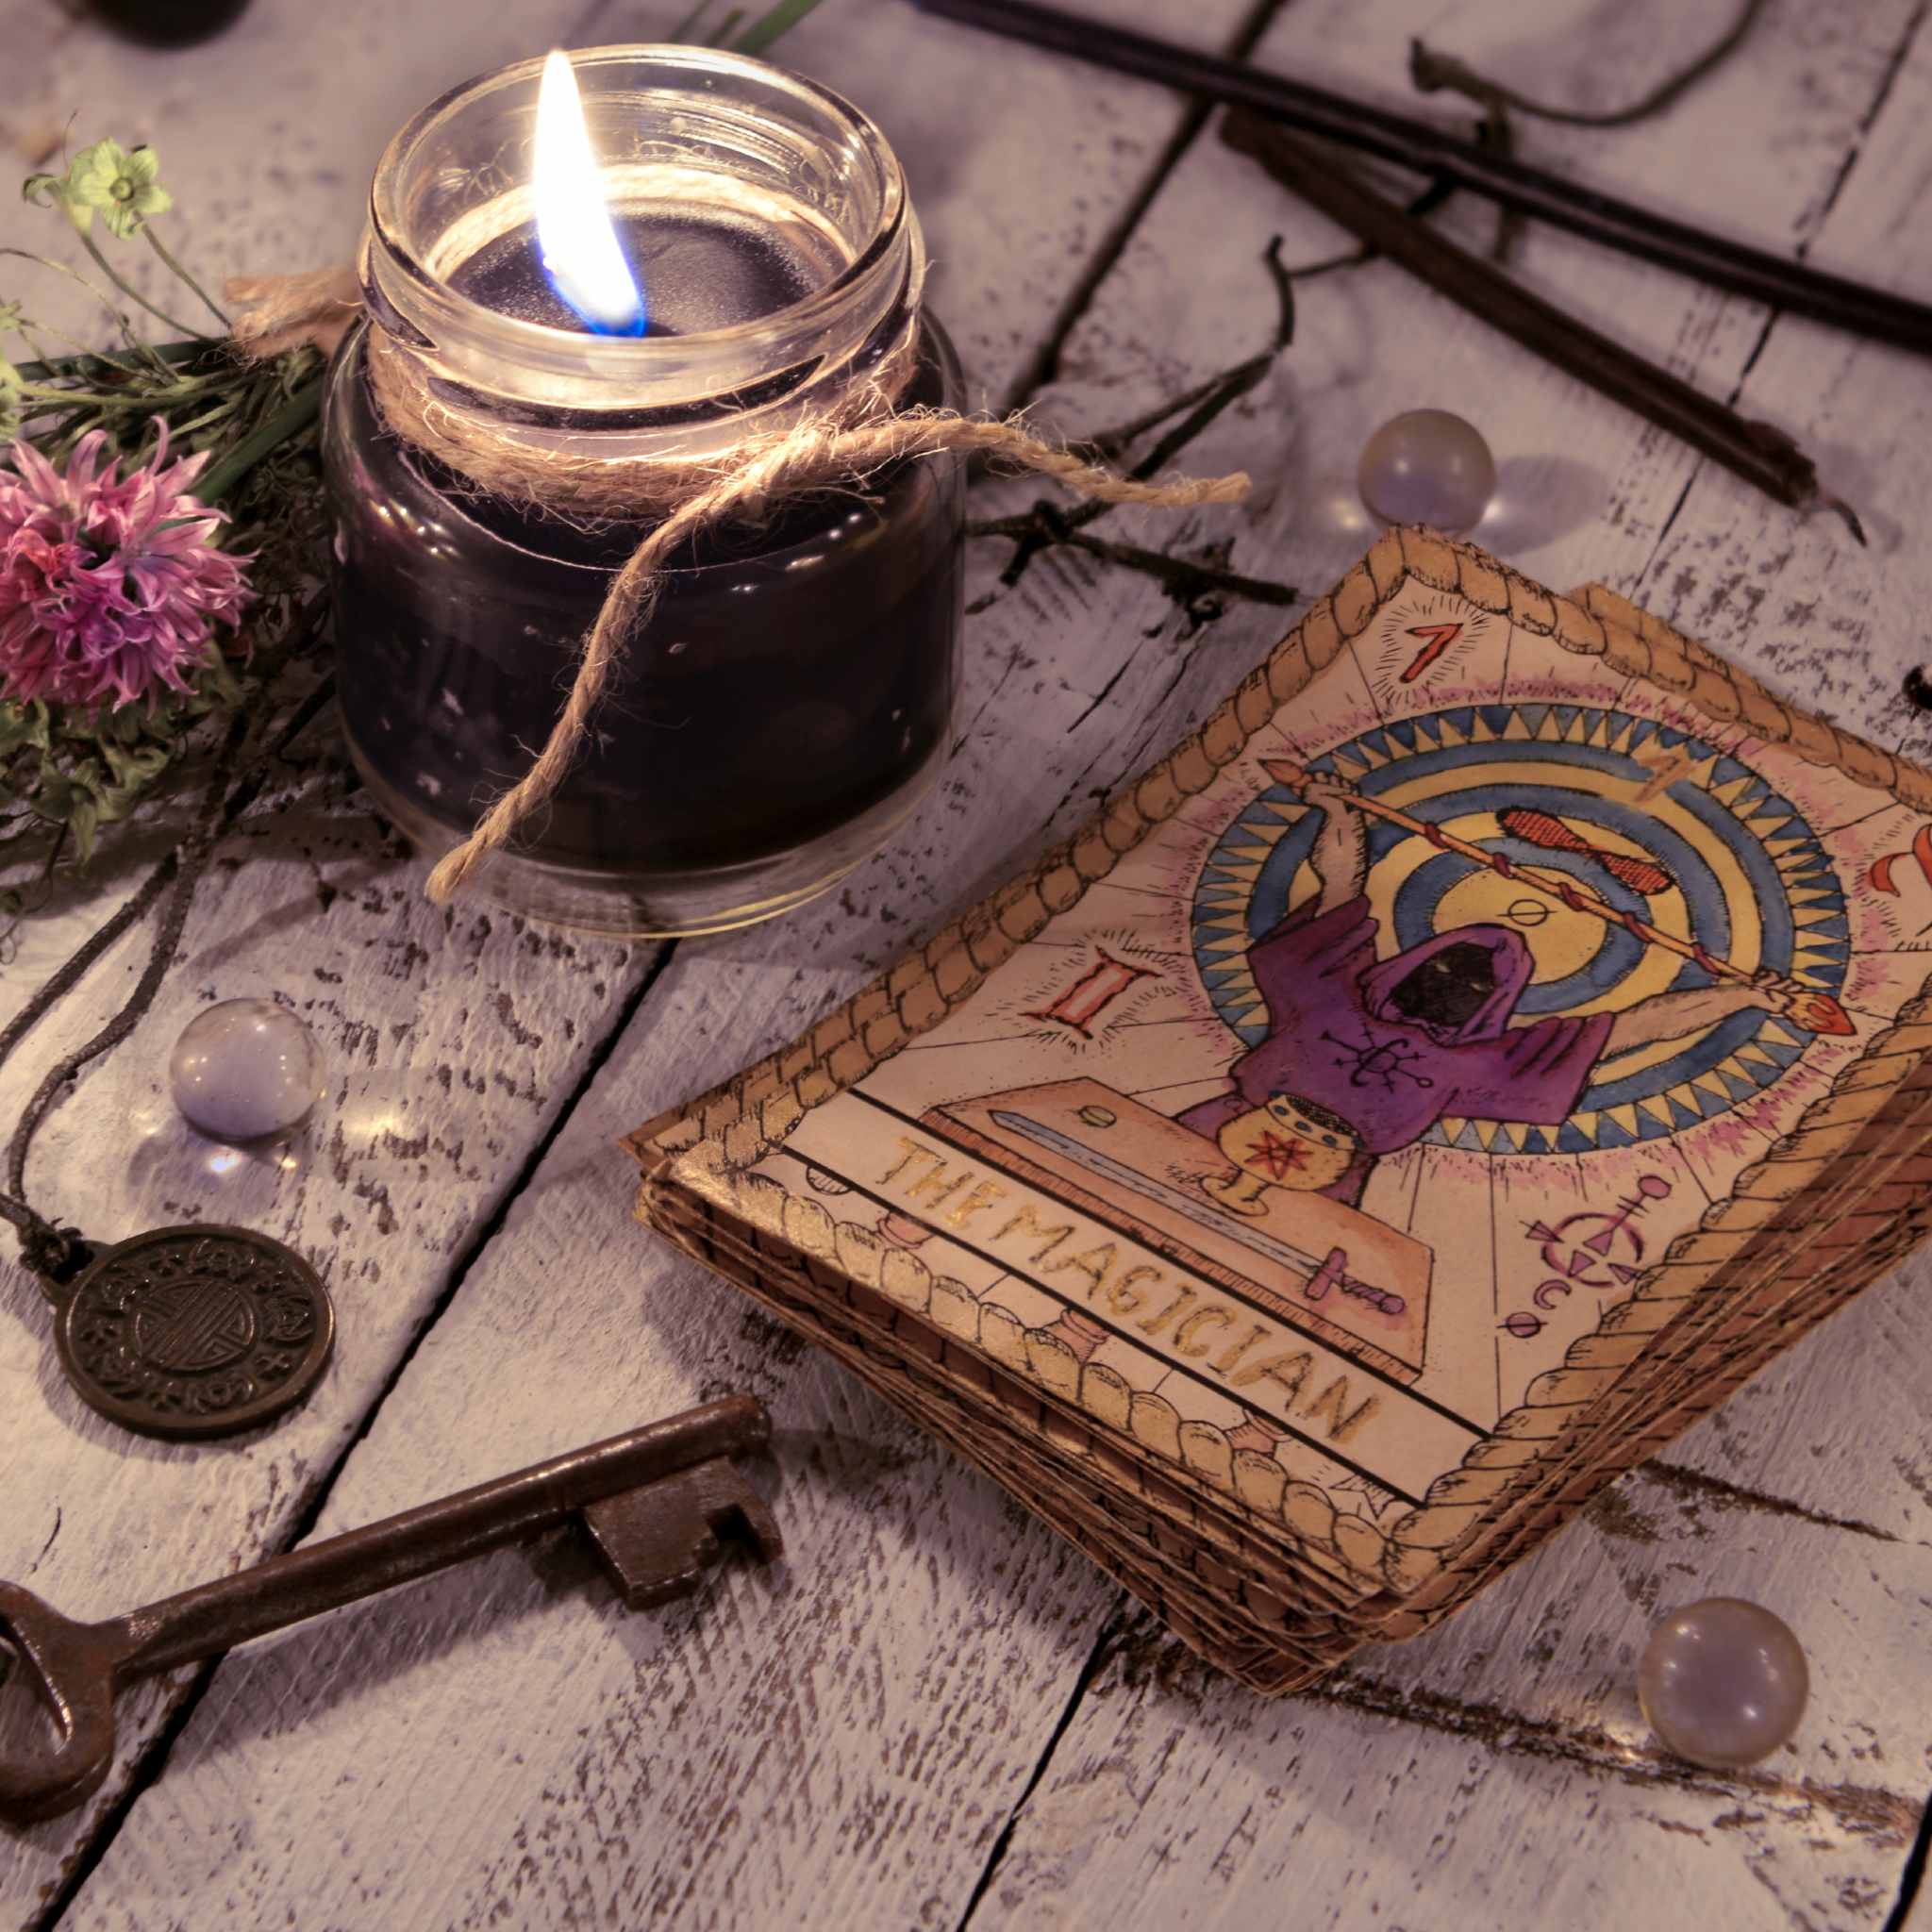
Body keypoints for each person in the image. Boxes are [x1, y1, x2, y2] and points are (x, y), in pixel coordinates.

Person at [1179, 774, 1802, 1208]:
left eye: (1476, 982)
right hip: (1225, 1125)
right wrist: (1339, 813)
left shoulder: (1481, 1066)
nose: (1452, 985)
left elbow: (1636, 1026)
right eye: (1448, 968)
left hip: (1328, 1175)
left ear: (1496, 1001)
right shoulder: (1324, 987)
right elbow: (1341, 881)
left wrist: (1747, 999)